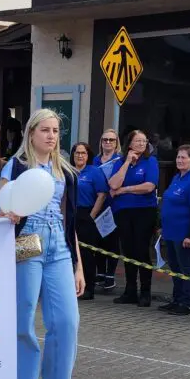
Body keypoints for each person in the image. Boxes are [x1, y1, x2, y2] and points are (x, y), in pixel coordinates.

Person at [0, 110, 83, 379]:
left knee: (67, 321)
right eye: (45, 129)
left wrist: (79, 266)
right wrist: (10, 214)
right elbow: (1, 210)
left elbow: (69, 221)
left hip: (59, 245)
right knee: (24, 319)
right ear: (31, 133)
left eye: (56, 130)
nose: (51, 135)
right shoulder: (16, 165)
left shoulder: (66, 172)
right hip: (25, 242)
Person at [107, 129, 158, 307]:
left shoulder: (150, 161)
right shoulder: (120, 162)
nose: (142, 144)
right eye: (138, 141)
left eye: (144, 141)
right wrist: (127, 162)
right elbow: (113, 184)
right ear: (129, 144)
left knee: (141, 250)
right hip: (123, 211)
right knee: (128, 250)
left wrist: (125, 190)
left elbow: (149, 186)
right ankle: (130, 290)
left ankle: (145, 292)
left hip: (144, 211)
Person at [158, 145, 190, 316]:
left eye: (184, 158)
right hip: (171, 232)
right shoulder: (177, 178)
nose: (180, 160)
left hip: (183, 233)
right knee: (175, 267)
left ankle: (187, 303)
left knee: (186, 268)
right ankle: (177, 299)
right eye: (178, 157)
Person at [70, 142, 109, 300]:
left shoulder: (94, 172)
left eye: (83, 153)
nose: (80, 156)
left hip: (86, 214)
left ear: (88, 156)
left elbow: (102, 194)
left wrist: (91, 215)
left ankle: (88, 288)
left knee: (86, 254)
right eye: (77, 153)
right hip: (70, 214)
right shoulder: (68, 171)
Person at [94, 128, 122, 290]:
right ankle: (100, 273)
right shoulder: (95, 160)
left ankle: (110, 274)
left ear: (116, 143)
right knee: (98, 240)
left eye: (111, 140)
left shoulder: (120, 160)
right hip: (98, 204)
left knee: (112, 241)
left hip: (114, 205)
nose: (108, 143)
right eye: (105, 140)